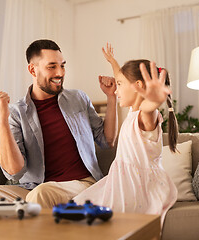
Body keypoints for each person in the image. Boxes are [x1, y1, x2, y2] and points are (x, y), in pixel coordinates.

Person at [0, 39, 118, 219]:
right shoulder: (17, 112)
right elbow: (15, 172)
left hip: (80, 183)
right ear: (33, 70)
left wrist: (111, 98)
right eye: (52, 67)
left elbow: (107, 141)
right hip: (32, 188)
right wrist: (2, 120)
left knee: (42, 193)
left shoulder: (78, 98)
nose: (60, 73)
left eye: (62, 66)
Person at [74, 44, 178, 219]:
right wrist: (113, 62)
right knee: (77, 206)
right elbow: (122, 78)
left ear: (138, 86)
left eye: (120, 85)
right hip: (122, 182)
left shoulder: (145, 117)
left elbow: (148, 109)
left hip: (140, 187)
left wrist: (153, 101)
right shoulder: (132, 111)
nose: (116, 89)